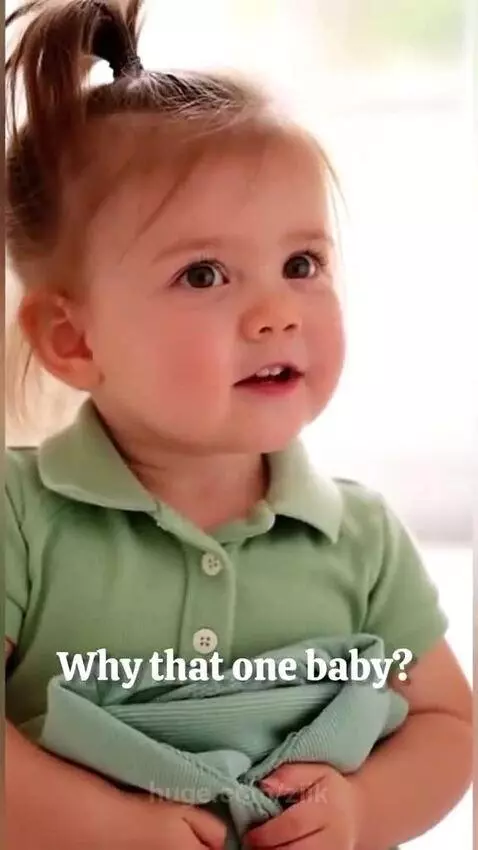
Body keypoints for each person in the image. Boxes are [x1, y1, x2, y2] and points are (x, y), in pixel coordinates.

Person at [4, 2, 472, 849]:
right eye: (204, 273)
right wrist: (106, 828)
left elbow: (447, 726)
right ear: (74, 340)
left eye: (302, 264)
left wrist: (365, 811)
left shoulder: (359, 535)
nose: (274, 312)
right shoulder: (18, 516)